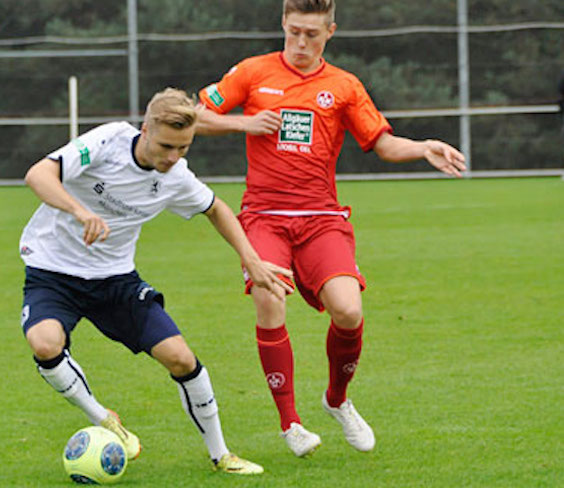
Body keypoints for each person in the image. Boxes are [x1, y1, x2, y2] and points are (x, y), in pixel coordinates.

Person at [196, 0, 467, 457]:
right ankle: (291, 424)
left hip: (321, 219)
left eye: (313, 35)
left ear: (330, 32)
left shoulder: (343, 86)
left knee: (348, 312)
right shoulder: (252, 72)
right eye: (295, 32)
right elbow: (195, 115)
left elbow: (380, 142)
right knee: (268, 298)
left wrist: (422, 148)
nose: (301, 44)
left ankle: (337, 401)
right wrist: (244, 121)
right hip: (264, 216)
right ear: (283, 23)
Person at [19, 87, 293, 474]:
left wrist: (252, 260)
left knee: (181, 358)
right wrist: (81, 212)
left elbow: (216, 209)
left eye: (183, 148)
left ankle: (222, 455)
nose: (172, 157)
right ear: (145, 129)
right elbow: (39, 174)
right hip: (52, 272)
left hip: (115, 282)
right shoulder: (109, 140)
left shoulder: (176, 176)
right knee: (45, 343)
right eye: (166, 145)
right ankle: (102, 416)